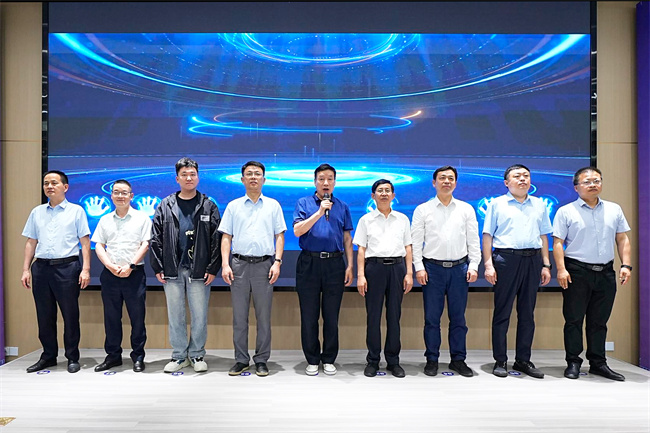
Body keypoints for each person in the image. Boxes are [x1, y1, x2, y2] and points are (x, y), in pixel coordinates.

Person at [552, 167, 632, 381]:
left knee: (599, 321)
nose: (593, 185)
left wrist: (626, 265)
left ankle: (598, 363)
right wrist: (561, 269)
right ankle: (573, 362)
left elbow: (622, 238)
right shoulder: (566, 211)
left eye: (597, 180)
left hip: (606, 272)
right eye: (587, 181)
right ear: (576, 187)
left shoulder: (614, 209)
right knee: (574, 320)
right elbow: (558, 242)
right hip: (576, 271)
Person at [150, 157, 221, 373]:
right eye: (184, 175)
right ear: (177, 178)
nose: (189, 178)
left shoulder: (208, 205)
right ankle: (179, 356)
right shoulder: (165, 205)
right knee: (176, 315)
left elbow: (216, 239)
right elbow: (156, 237)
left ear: (198, 177)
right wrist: (158, 266)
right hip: (172, 269)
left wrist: (212, 268)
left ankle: (197, 354)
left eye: (192, 174)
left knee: (199, 315)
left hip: (199, 270)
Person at [482, 164, 552, 379]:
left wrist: (546, 264)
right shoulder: (497, 204)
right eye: (517, 176)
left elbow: (543, 236)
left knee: (527, 313)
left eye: (526, 176)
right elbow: (487, 235)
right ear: (506, 182)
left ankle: (523, 359)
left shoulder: (539, 204)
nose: (522, 179)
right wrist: (488, 264)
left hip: (533, 260)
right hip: (506, 259)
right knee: (502, 312)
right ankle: (500, 360)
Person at [411, 166, 481, 378]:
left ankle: (458, 360)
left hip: (460, 269)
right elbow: (415, 242)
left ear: (456, 183)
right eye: (442, 178)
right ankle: (432, 359)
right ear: (434, 183)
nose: (447, 181)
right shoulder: (423, 209)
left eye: (451, 178)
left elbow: (473, 240)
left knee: (458, 319)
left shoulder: (466, 209)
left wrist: (474, 265)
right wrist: (419, 267)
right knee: (432, 319)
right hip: (432, 269)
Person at [219, 161, 286, 377]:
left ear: (264, 179)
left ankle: (261, 359)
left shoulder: (273, 205)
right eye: (249, 174)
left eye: (258, 174)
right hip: (238, 265)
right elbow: (226, 237)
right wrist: (225, 264)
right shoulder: (233, 206)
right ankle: (241, 359)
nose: (253, 177)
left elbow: (279, 235)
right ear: (242, 180)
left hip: (265, 265)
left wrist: (277, 262)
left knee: (263, 318)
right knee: (239, 317)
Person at [21, 170, 91, 373]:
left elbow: (85, 242)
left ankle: (72, 357)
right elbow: (31, 241)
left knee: (70, 315)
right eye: (46, 183)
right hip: (41, 268)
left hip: (67, 268)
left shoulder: (76, 211)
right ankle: (48, 356)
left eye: (54, 183)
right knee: (44, 315)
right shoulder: (37, 212)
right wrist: (25, 269)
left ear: (65, 187)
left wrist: (86, 269)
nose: (49, 186)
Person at [293, 163, 354, 376]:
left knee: (331, 315)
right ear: (315, 182)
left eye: (329, 179)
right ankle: (312, 359)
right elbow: (298, 231)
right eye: (321, 179)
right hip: (309, 263)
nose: (325, 183)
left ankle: (328, 358)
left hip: (335, 264)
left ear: (335, 182)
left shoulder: (342, 206)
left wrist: (350, 265)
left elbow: (347, 238)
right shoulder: (304, 203)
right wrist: (319, 212)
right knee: (309, 315)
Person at [354, 179, 413, 378]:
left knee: (394, 316)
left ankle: (393, 361)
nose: (384, 194)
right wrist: (360, 275)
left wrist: (409, 273)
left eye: (388, 190)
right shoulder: (366, 220)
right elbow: (361, 249)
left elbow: (408, 247)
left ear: (393, 195)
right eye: (380, 191)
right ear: (373, 196)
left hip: (397, 268)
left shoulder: (402, 219)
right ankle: (372, 360)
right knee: (373, 316)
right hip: (374, 269)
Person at [91, 179, 152, 373]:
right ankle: (113, 356)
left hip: (134, 274)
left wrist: (130, 266)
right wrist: (109, 266)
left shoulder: (142, 218)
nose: (120, 196)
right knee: (111, 317)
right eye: (116, 192)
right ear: (111, 196)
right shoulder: (104, 220)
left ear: (131, 196)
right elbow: (99, 245)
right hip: (110, 275)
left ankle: (138, 357)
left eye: (124, 193)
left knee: (137, 318)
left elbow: (145, 244)